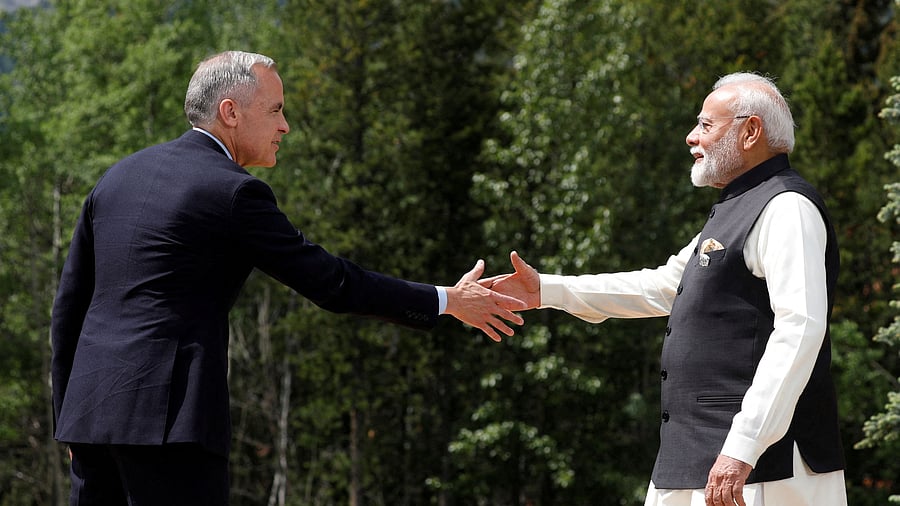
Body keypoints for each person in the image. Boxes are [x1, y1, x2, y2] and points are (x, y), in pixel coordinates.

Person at [50, 50, 525, 505]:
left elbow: (68, 310)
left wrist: (66, 417)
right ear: (230, 112)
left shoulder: (114, 178)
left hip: (89, 421)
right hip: (171, 425)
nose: (285, 125)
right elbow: (333, 283)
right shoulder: (234, 192)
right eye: (275, 109)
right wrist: (448, 300)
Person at [486, 73, 847, 506]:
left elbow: (800, 329)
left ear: (751, 131)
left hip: (760, 470)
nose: (692, 137)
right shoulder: (738, 207)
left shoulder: (787, 206)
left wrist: (742, 448)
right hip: (699, 460)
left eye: (706, 126)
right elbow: (662, 287)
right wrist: (545, 289)